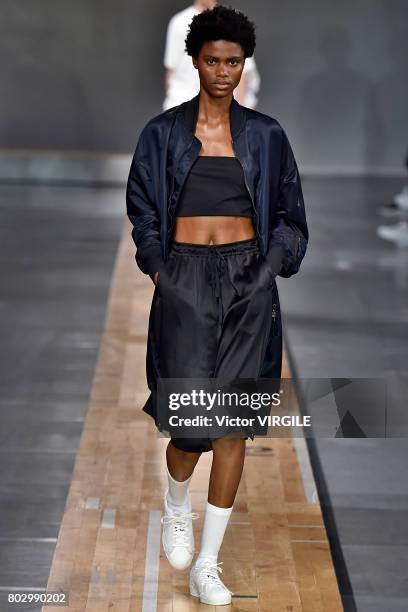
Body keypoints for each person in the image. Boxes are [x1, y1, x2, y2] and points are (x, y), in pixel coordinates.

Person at [126, 5, 308, 605]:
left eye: (234, 61)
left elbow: (290, 218)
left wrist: (267, 269)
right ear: (196, 62)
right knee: (188, 425)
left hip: (248, 278)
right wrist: (159, 267)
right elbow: (143, 208)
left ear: (244, 63)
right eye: (213, 61)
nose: (224, 72)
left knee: (233, 425)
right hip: (183, 280)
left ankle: (209, 561)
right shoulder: (162, 134)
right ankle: (176, 504)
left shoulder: (267, 135)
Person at [163, 0, 260, 110]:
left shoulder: (233, 20)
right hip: (182, 101)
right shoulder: (178, 22)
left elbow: (243, 70)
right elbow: (171, 69)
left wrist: (240, 110)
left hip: (223, 106)